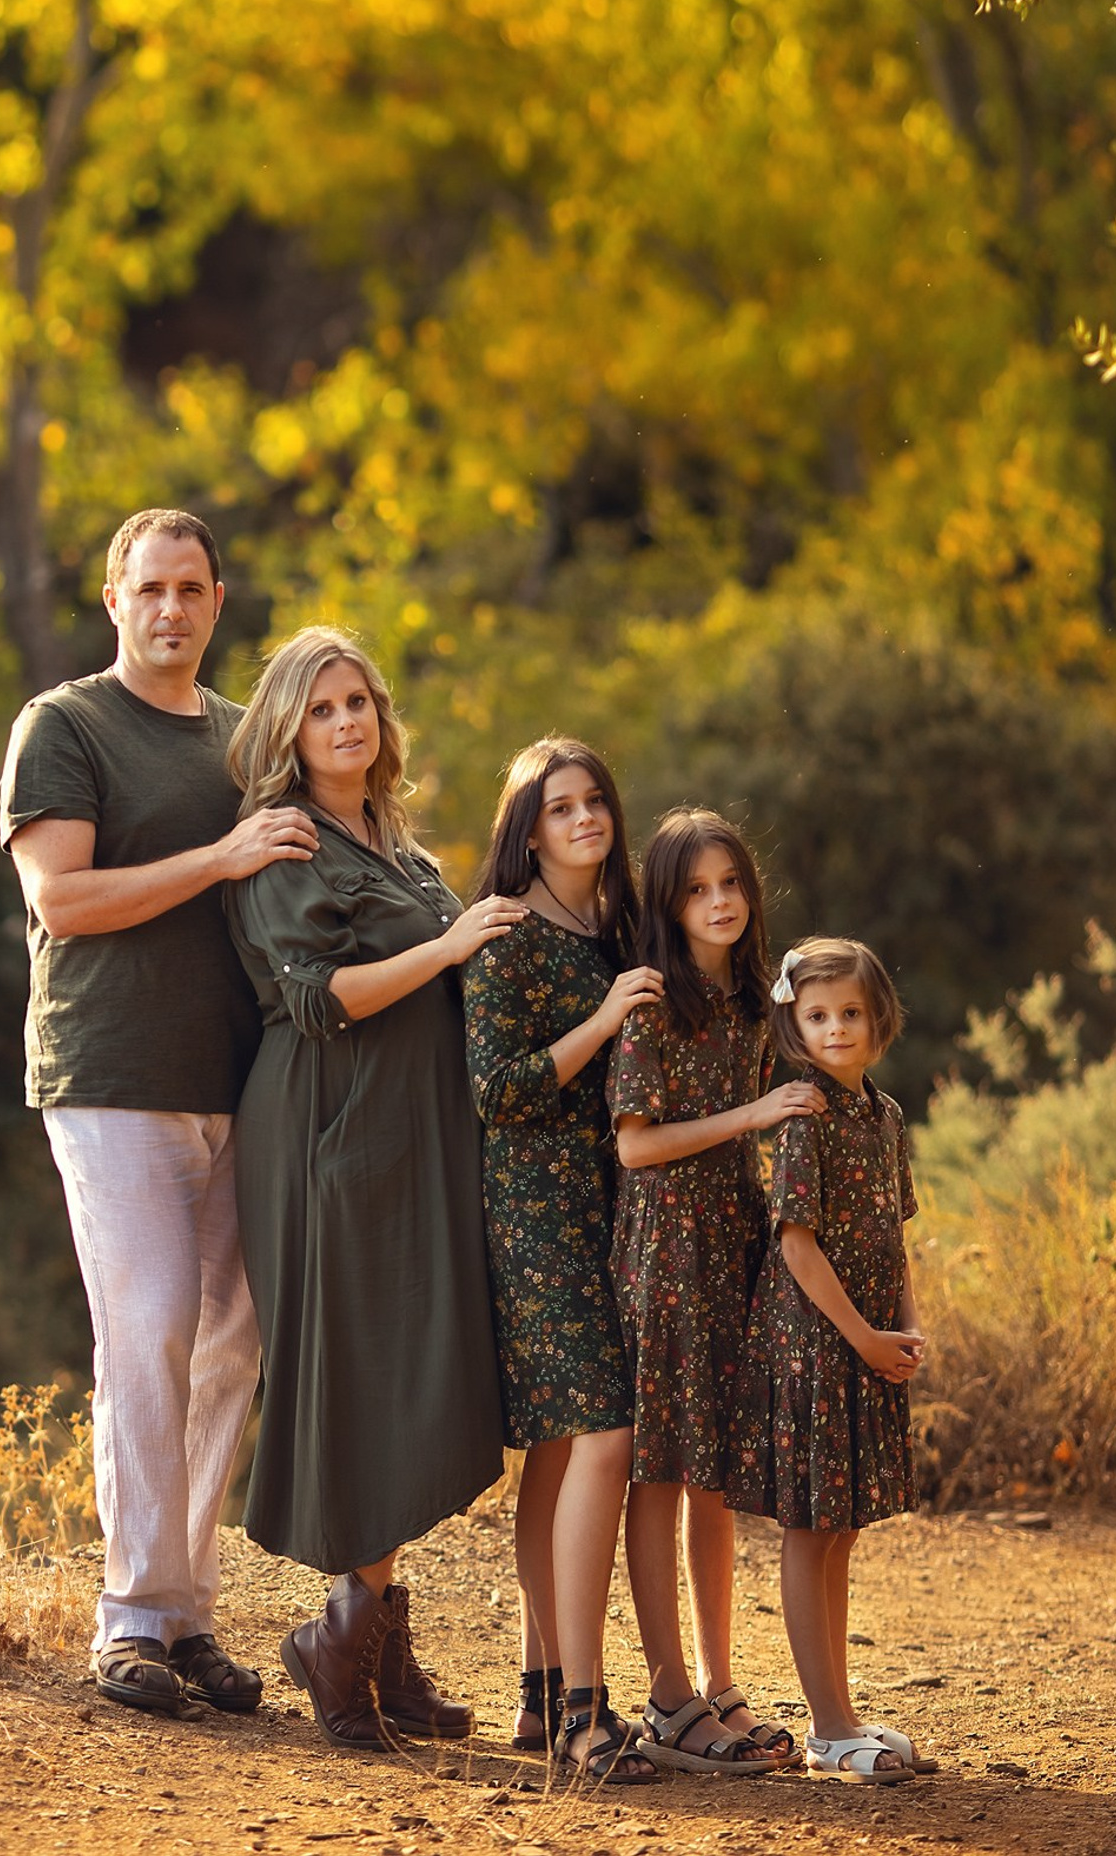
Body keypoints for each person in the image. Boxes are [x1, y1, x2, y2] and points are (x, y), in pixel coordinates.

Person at [0, 509, 322, 1717]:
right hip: (110, 1074)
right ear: (113, 597)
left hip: (241, 1081)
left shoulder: (247, 740)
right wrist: (221, 857)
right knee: (147, 1333)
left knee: (230, 1344)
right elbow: (65, 899)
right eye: (150, 587)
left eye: (191, 588)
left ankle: (183, 1617)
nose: (171, 608)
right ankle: (129, 1620)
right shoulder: (66, 726)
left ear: (219, 600)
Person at [221, 626, 515, 1748]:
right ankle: (343, 1642)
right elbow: (319, 997)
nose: (348, 722)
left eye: (360, 703)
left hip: (412, 1137)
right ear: (289, 730)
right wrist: (450, 950)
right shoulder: (286, 845)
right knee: (361, 1372)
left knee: (411, 1371)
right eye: (322, 707)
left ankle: (372, 1644)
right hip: (325, 1131)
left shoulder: (394, 842)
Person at [462, 737, 660, 1786]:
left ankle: (540, 1697)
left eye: (595, 802)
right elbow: (494, 1090)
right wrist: (601, 1019)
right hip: (531, 1210)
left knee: (554, 1448)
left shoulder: (615, 930)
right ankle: (586, 1713)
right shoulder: (508, 934)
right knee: (605, 1430)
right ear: (526, 829)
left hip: (607, 1205)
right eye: (559, 807)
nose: (584, 819)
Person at [608, 809, 819, 1778]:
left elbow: (809, 1066)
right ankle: (663, 1693)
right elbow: (636, 1143)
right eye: (695, 888)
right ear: (667, 902)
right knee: (658, 1467)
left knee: (713, 1476)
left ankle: (718, 1681)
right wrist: (754, 1113)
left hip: (728, 1241)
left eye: (730, 881)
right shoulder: (653, 1004)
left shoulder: (748, 1003)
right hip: (665, 1249)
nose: (719, 901)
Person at [726, 938, 932, 1784]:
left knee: (841, 1531)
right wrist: (863, 1338)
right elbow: (798, 1248)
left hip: (870, 1344)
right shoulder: (804, 1118)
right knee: (812, 1532)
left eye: (851, 1013)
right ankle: (827, 1727)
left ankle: (840, 1715)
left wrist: (907, 1332)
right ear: (794, 1026)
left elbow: (898, 1239)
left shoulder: (882, 1116)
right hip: (818, 1348)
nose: (836, 1029)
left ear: (878, 1019)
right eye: (818, 1016)